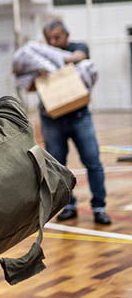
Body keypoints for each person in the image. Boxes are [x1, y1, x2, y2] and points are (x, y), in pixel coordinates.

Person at [39, 19, 110, 225]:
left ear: (67, 36)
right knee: (58, 167)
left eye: (57, 37)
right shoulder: (40, 56)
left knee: (93, 162)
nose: (53, 42)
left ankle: (99, 207)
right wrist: (38, 70)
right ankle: (67, 205)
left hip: (80, 117)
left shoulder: (77, 47)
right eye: (49, 38)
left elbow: (81, 56)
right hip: (51, 120)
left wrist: (54, 62)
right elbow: (29, 82)